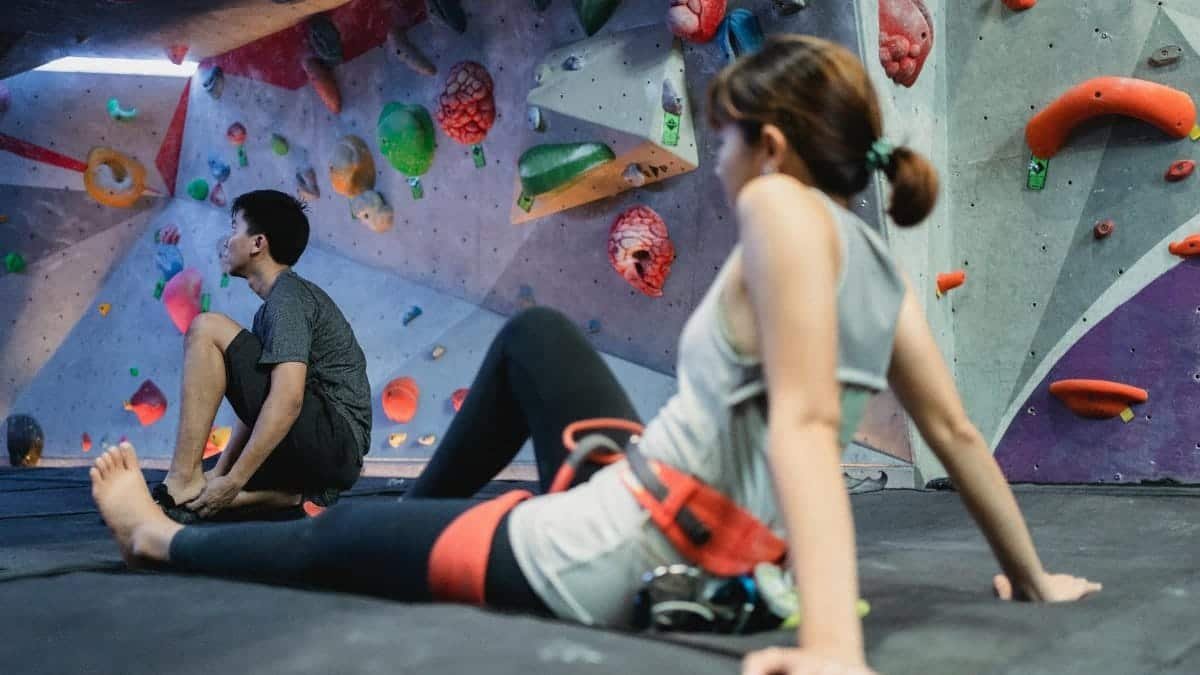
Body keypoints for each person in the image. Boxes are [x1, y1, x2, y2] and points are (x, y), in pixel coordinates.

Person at [91, 36, 1099, 674]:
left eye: (728, 140)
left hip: (614, 553)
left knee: (335, 549)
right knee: (537, 336)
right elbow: (958, 432)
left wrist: (832, 647)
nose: (719, 162)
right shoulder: (877, 261)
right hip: (675, 511)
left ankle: (158, 539)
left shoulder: (782, 212)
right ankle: (420, 521)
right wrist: (1033, 576)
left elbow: (801, 425)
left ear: (776, 149)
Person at [150, 189, 371, 522]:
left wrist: (233, 480)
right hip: (331, 453)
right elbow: (261, 400)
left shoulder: (288, 299)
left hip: (334, 442)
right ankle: (283, 496)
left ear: (258, 244)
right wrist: (223, 474)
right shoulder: (272, 309)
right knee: (218, 491)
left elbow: (287, 400)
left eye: (235, 227)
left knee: (206, 326)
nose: (226, 241)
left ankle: (181, 479)